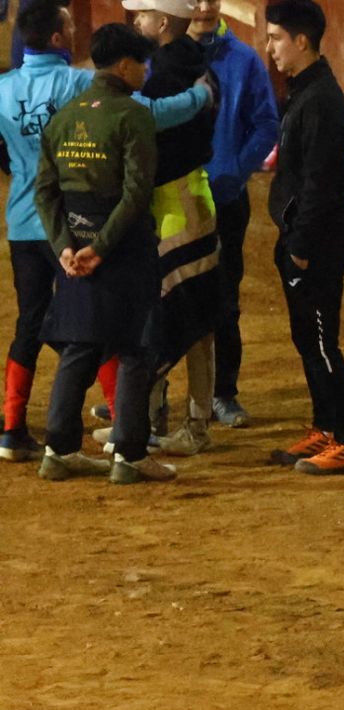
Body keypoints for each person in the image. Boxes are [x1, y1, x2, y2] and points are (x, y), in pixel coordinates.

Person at [0, 0, 208, 461]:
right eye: (69, 24)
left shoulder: (3, 90)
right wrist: (199, 97)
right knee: (115, 326)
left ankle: (14, 428)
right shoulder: (84, 86)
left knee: (35, 324)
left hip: (31, 224)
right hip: (91, 230)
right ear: (57, 38)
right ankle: (123, 431)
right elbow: (152, 116)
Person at [34, 22, 171, 483]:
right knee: (135, 346)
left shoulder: (64, 117)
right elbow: (136, 195)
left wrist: (66, 249)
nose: (146, 73)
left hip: (73, 243)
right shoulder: (132, 116)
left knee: (81, 342)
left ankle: (59, 448)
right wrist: (102, 247)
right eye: (143, 64)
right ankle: (129, 455)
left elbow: (45, 193)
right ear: (126, 65)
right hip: (123, 246)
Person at [263, 0, 344, 474]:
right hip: (303, 236)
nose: (270, 48)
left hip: (318, 240)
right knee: (308, 338)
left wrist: (302, 247)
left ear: (300, 41)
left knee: (323, 341)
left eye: (275, 38)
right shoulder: (305, 92)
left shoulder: (321, 101)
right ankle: (326, 427)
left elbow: (320, 184)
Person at [117, 0, 219, 460]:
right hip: (183, 198)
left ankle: (188, 425)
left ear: (162, 23)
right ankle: (154, 418)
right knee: (185, 314)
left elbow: (145, 116)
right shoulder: (188, 63)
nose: (135, 22)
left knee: (188, 317)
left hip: (177, 204)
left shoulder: (165, 73)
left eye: (140, 15)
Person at [190, 0, 278, 429]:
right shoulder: (156, 57)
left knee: (224, 299)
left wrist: (234, 171)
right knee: (164, 298)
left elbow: (266, 124)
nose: (205, 6)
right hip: (171, 202)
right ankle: (153, 396)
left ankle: (224, 392)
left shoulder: (243, 59)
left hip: (224, 200)